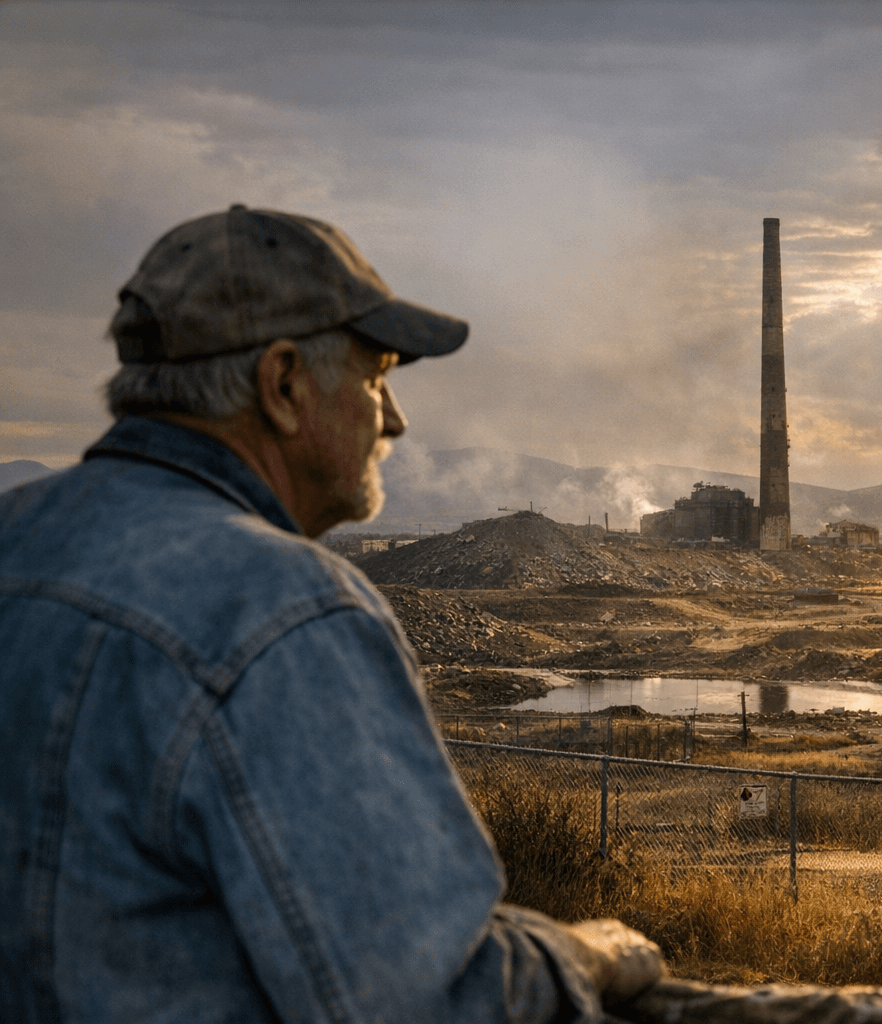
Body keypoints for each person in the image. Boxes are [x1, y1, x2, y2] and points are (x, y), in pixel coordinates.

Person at [0, 206, 662, 1023]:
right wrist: (584, 953)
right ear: (282, 385)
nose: (395, 418)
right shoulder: (288, 610)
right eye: (376, 376)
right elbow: (433, 1000)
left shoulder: (14, 534)